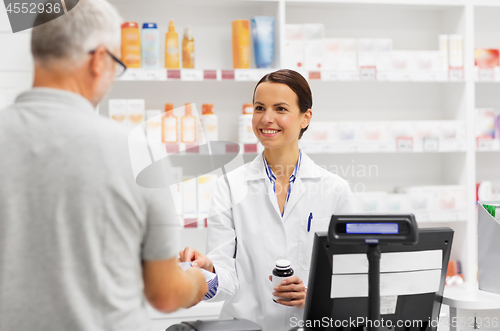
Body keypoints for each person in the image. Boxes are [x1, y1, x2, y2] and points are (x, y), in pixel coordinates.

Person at [0, 1, 207, 331]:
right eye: (115, 63)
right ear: (98, 60)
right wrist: (197, 281)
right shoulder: (138, 152)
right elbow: (165, 294)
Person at [180, 69, 355, 330]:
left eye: (280, 109)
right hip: (246, 325)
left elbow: (353, 276)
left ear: (305, 118)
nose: (267, 119)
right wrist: (207, 270)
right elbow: (227, 279)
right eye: (259, 108)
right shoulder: (229, 186)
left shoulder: (335, 190)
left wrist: (314, 298)